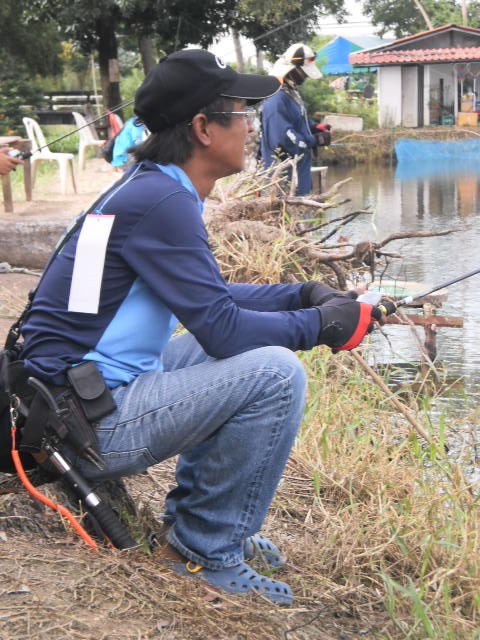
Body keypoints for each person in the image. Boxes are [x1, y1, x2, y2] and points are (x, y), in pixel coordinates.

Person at [18, 49, 380, 605]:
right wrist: (322, 326)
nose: (251, 123)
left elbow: (211, 298)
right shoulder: (162, 199)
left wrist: (304, 294)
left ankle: (203, 522)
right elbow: (224, 331)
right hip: (85, 424)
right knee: (274, 374)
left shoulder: (148, 185)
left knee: (238, 359)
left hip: (69, 403)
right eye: (241, 110)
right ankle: (206, 550)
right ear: (203, 128)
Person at [260, 43, 322, 196]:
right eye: (304, 72)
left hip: (299, 179)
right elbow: (284, 140)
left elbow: (297, 121)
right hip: (282, 186)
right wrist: (315, 140)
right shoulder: (276, 98)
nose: (306, 76)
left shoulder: (290, 93)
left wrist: (315, 128)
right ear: (293, 69)